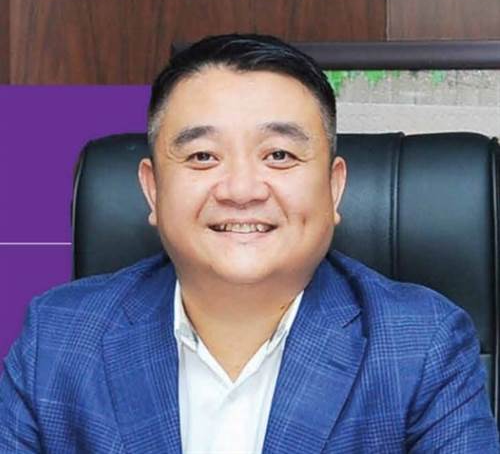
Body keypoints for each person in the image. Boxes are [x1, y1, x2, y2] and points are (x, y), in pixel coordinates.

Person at [0, 34, 498, 454]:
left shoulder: (420, 344)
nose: (241, 190)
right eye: (202, 156)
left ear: (333, 188)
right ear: (152, 190)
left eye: (278, 155)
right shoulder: (57, 339)